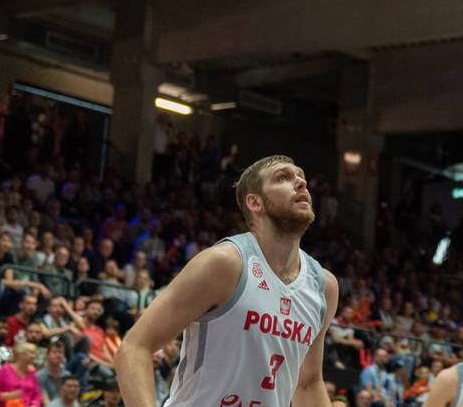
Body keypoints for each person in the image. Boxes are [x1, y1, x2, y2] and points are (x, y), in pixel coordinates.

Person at [116, 155, 338, 406]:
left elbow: (308, 382)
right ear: (255, 202)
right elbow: (134, 348)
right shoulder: (224, 263)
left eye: (301, 178)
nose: (300, 183)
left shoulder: (323, 286)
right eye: (283, 177)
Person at [0, 341, 42, 406]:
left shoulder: (32, 372)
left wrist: (34, 405)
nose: (34, 356)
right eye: (31, 353)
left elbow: (37, 395)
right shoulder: (4, 370)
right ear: (20, 354)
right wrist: (5, 396)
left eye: (34, 353)